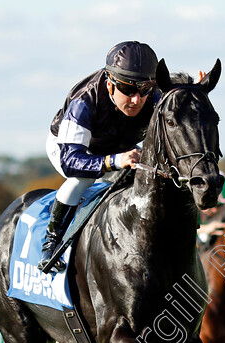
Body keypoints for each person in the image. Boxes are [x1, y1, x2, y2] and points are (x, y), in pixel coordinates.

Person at [38, 41, 160, 273]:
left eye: (144, 90)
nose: (137, 99)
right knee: (82, 179)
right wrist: (113, 161)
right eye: (128, 90)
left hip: (116, 145)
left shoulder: (153, 96)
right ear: (110, 83)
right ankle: (51, 243)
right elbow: (71, 161)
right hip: (71, 149)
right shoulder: (84, 101)